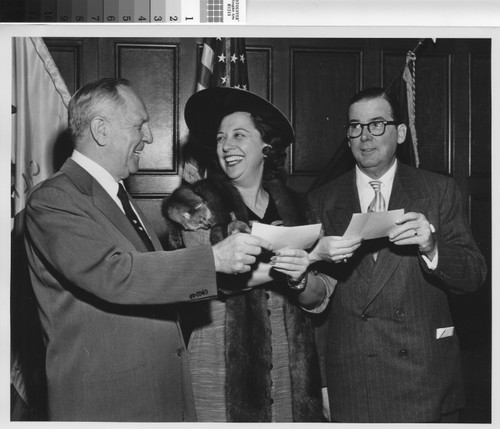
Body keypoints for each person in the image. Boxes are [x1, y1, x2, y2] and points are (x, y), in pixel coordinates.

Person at [23, 78, 273, 422]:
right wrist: (213, 259)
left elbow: (154, 284)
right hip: (107, 404)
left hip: (154, 394)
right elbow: (114, 274)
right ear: (101, 130)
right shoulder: (54, 199)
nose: (150, 137)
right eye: (140, 124)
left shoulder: (118, 196)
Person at [307, 87, 487, 422]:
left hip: (424, 379)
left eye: (376, 124)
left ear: (400, 133)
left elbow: (474, 275)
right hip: (352, 382)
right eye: (355, 127)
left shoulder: (437, 190)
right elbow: (318, 308)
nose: (364, 136)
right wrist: (321, 383)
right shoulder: (322, 200)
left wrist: (432, 247)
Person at [163, 87, 336, 422]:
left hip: (290, 372)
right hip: (219, 371)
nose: (227, 145)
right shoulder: (195, 206)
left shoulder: (300, 208)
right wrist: (295, 263)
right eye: (220, 137)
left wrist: (303, 280)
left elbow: (321, 296)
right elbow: (211, 279)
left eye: (239, 135)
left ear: (266, 147)